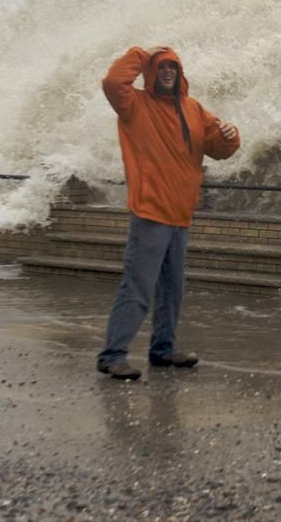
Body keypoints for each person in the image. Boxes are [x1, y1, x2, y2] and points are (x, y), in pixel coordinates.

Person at [96, 45, 241, 380]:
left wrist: (230, 137)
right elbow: (112, 82)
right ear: (151, 71)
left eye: (172, 68)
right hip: (150, 212)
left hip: (180, 215)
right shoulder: (135, 105)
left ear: (180, 74)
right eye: (161, 68)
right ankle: (112, 354)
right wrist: (141, 54)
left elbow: (217, 149)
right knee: (138, 287)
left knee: (171, 290)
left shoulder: (193, 109)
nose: (167, 73)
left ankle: (163, 349)